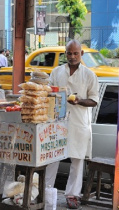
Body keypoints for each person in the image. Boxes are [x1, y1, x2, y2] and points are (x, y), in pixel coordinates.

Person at [45, 39, 99, 209]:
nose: (72, 56)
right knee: (52, 158)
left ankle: (72, 195)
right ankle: (46, 192)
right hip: (57, 122)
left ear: (81, 54)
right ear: (65, 54)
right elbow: (48, 92)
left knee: (77, 160)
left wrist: (80, 100)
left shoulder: (89, 75)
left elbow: (94, 100)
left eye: (76, 53)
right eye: (69, 53)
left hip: (78, 123)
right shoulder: (56, 72)